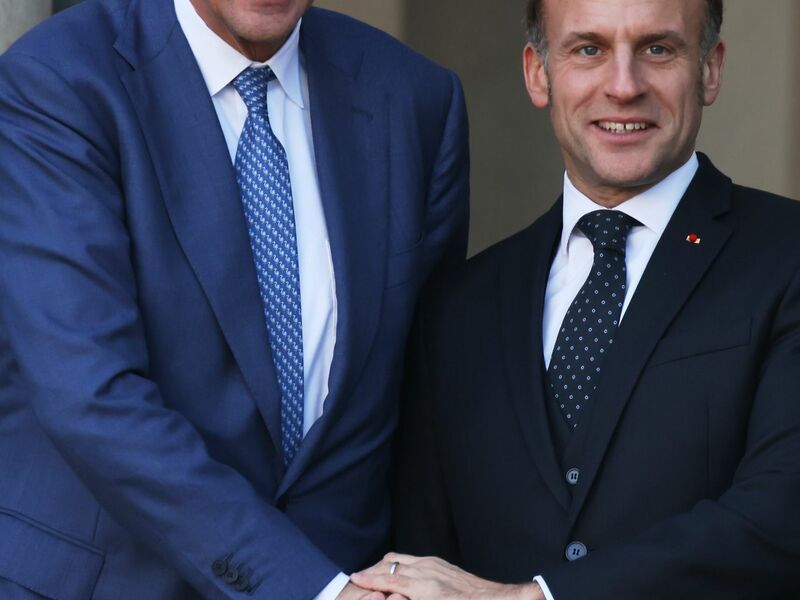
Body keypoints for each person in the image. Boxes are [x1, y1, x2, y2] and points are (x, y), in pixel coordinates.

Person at [0, 0, 468, 597]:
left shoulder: (415, 98)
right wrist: (312, 589)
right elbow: (89, 392)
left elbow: (418, 403)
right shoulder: (59, 80)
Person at [350, 0, 800, 598]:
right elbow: (426, 555)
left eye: (658, 49)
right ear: (538, 73)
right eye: (589, 49)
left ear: (709, 70)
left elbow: (781, 515)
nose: (624, 86)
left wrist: (536, 597)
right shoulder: (458, 308)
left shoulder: (786, 255)